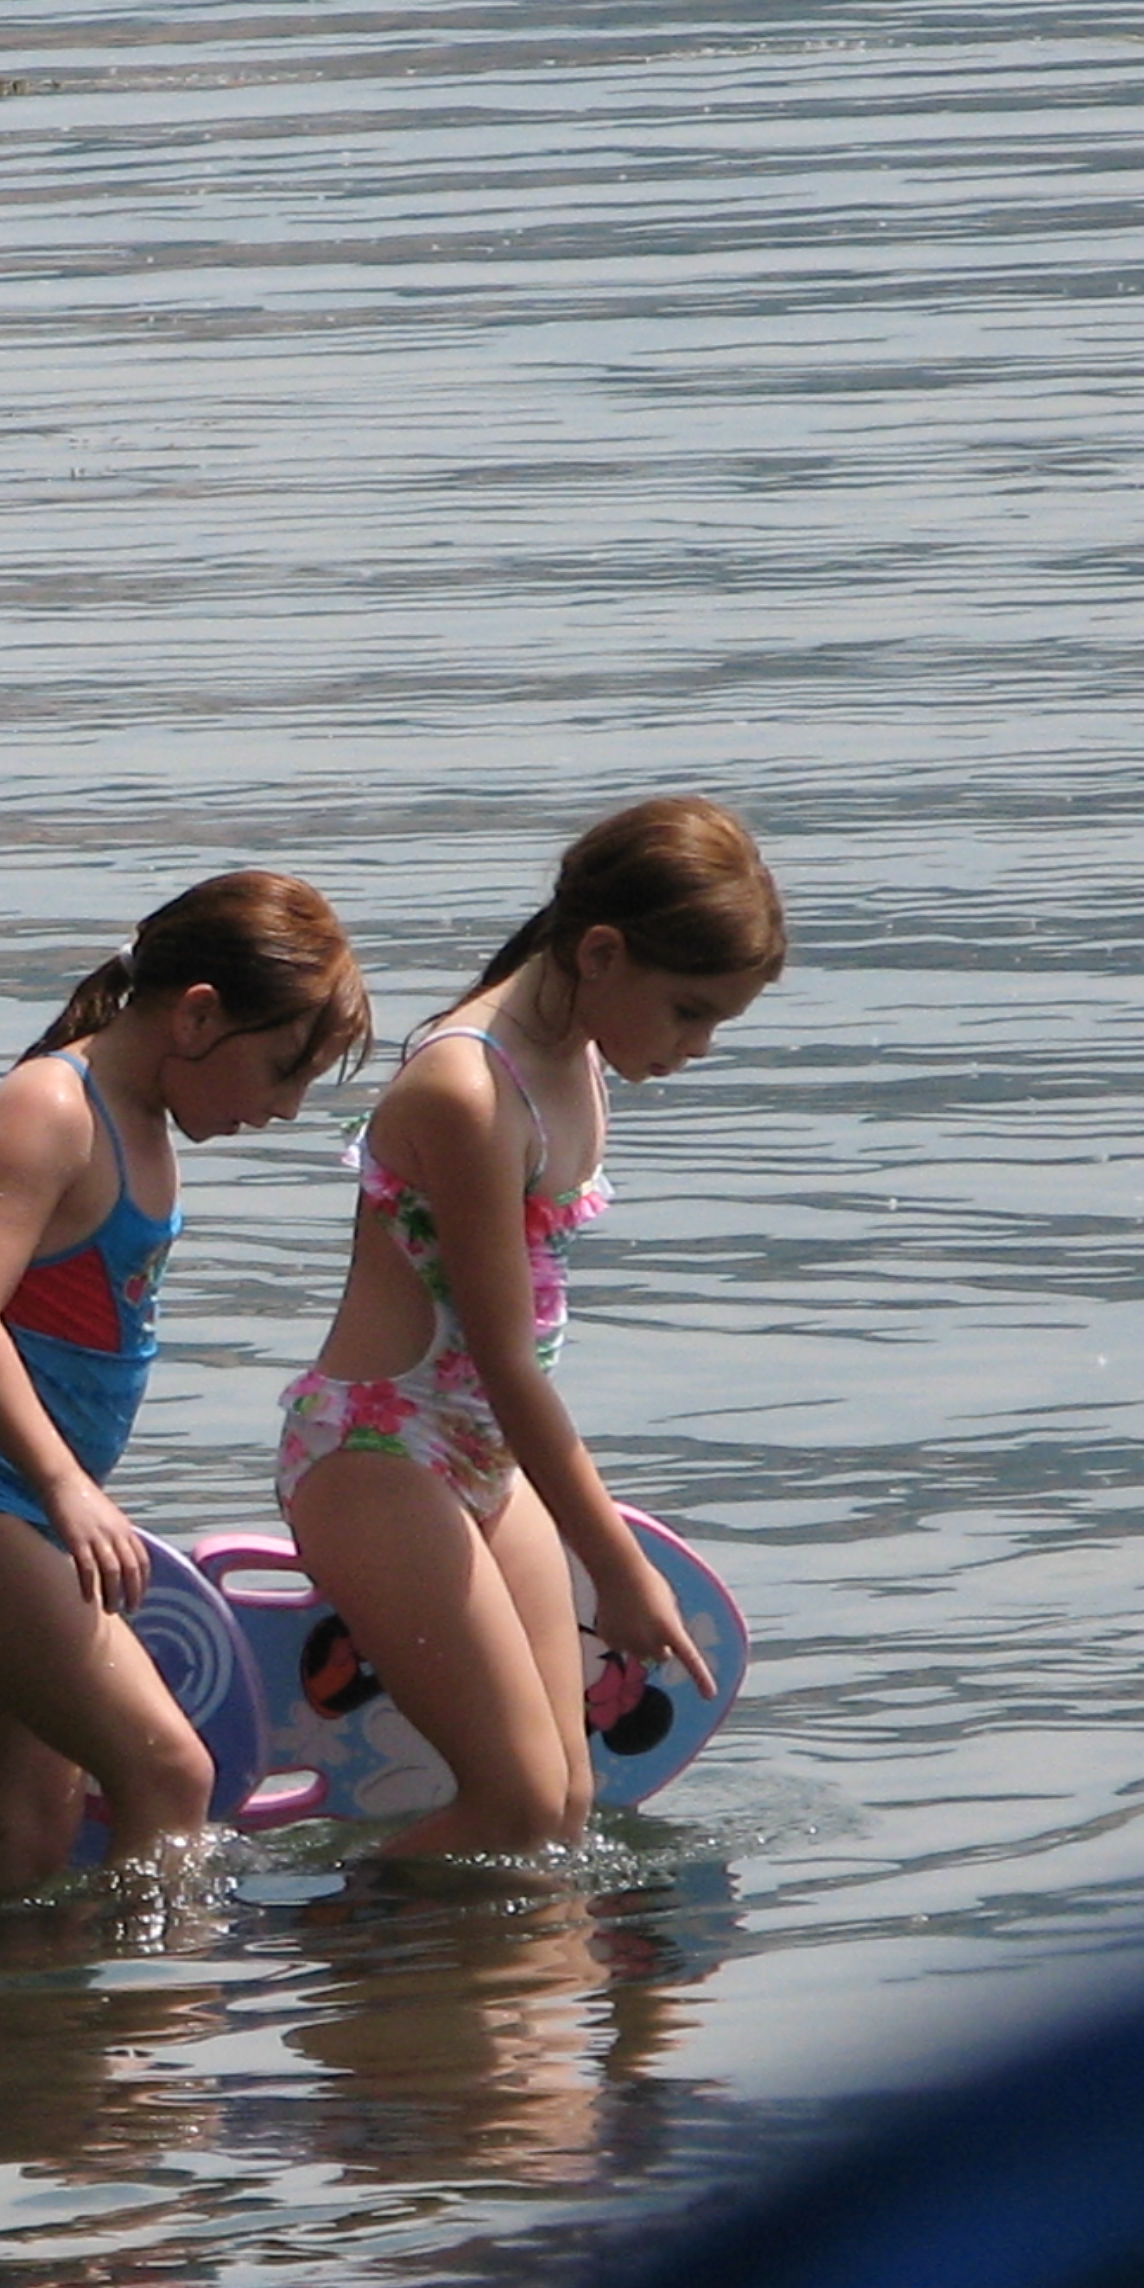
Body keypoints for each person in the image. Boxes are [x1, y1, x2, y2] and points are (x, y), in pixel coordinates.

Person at [276, 795, 785, 1859]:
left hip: (480, 1461)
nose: (698, 1046)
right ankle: (306, 1938)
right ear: (600, 953)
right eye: (689, 1012)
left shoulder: (576, 1056)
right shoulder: (469, 1088)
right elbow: (507, 1364)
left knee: (560, 1811)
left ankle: (468, 1972)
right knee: (512, 1806)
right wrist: (620, 1568)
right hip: (376, 1453)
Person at [0, 873, 375, 1906]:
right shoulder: (51, 1109)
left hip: (13, 1512)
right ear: (198, 1015)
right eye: (282, 1070)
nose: (283, 1108)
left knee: (31, 1831)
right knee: (171, 1773)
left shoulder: (139, 1118)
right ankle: (157, 2002)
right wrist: (65, 1487)